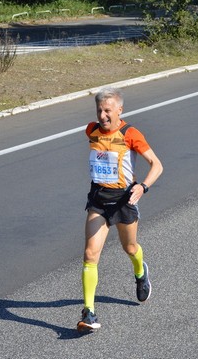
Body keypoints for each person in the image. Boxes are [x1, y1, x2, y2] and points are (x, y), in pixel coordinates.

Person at [77, 88, 163, 333]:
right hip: (99, 200)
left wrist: (142, 187)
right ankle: (89, 312)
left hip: (124, 200)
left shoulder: (130, 133)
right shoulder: (90, 130)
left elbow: (157, 165)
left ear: (119, 110)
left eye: (107, 111)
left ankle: (140, 272)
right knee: (90, 255)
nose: (103, 116)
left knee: (130, 248)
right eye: (99, 110)